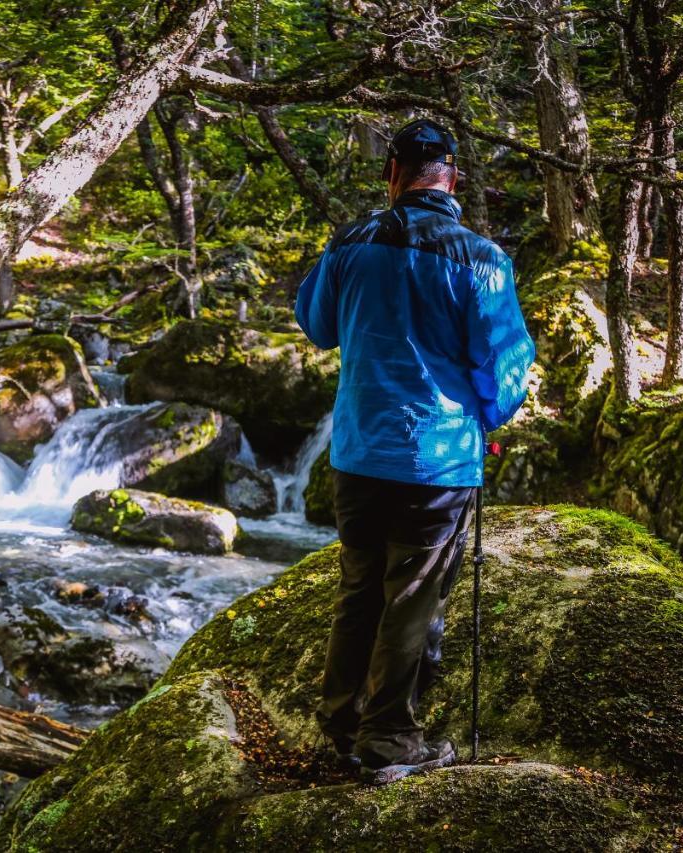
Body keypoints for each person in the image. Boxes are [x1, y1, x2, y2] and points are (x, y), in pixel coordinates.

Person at [294, 118, 535, 786]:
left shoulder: (351, 241)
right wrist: (488, 416)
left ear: (392, 174)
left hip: (358, 450)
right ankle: (390, 737)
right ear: (452, 178)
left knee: (359, 588)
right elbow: (506, 367)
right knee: (414, 597)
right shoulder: (480, 257)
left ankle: (341, 723)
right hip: (438, 457)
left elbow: (315, 324)